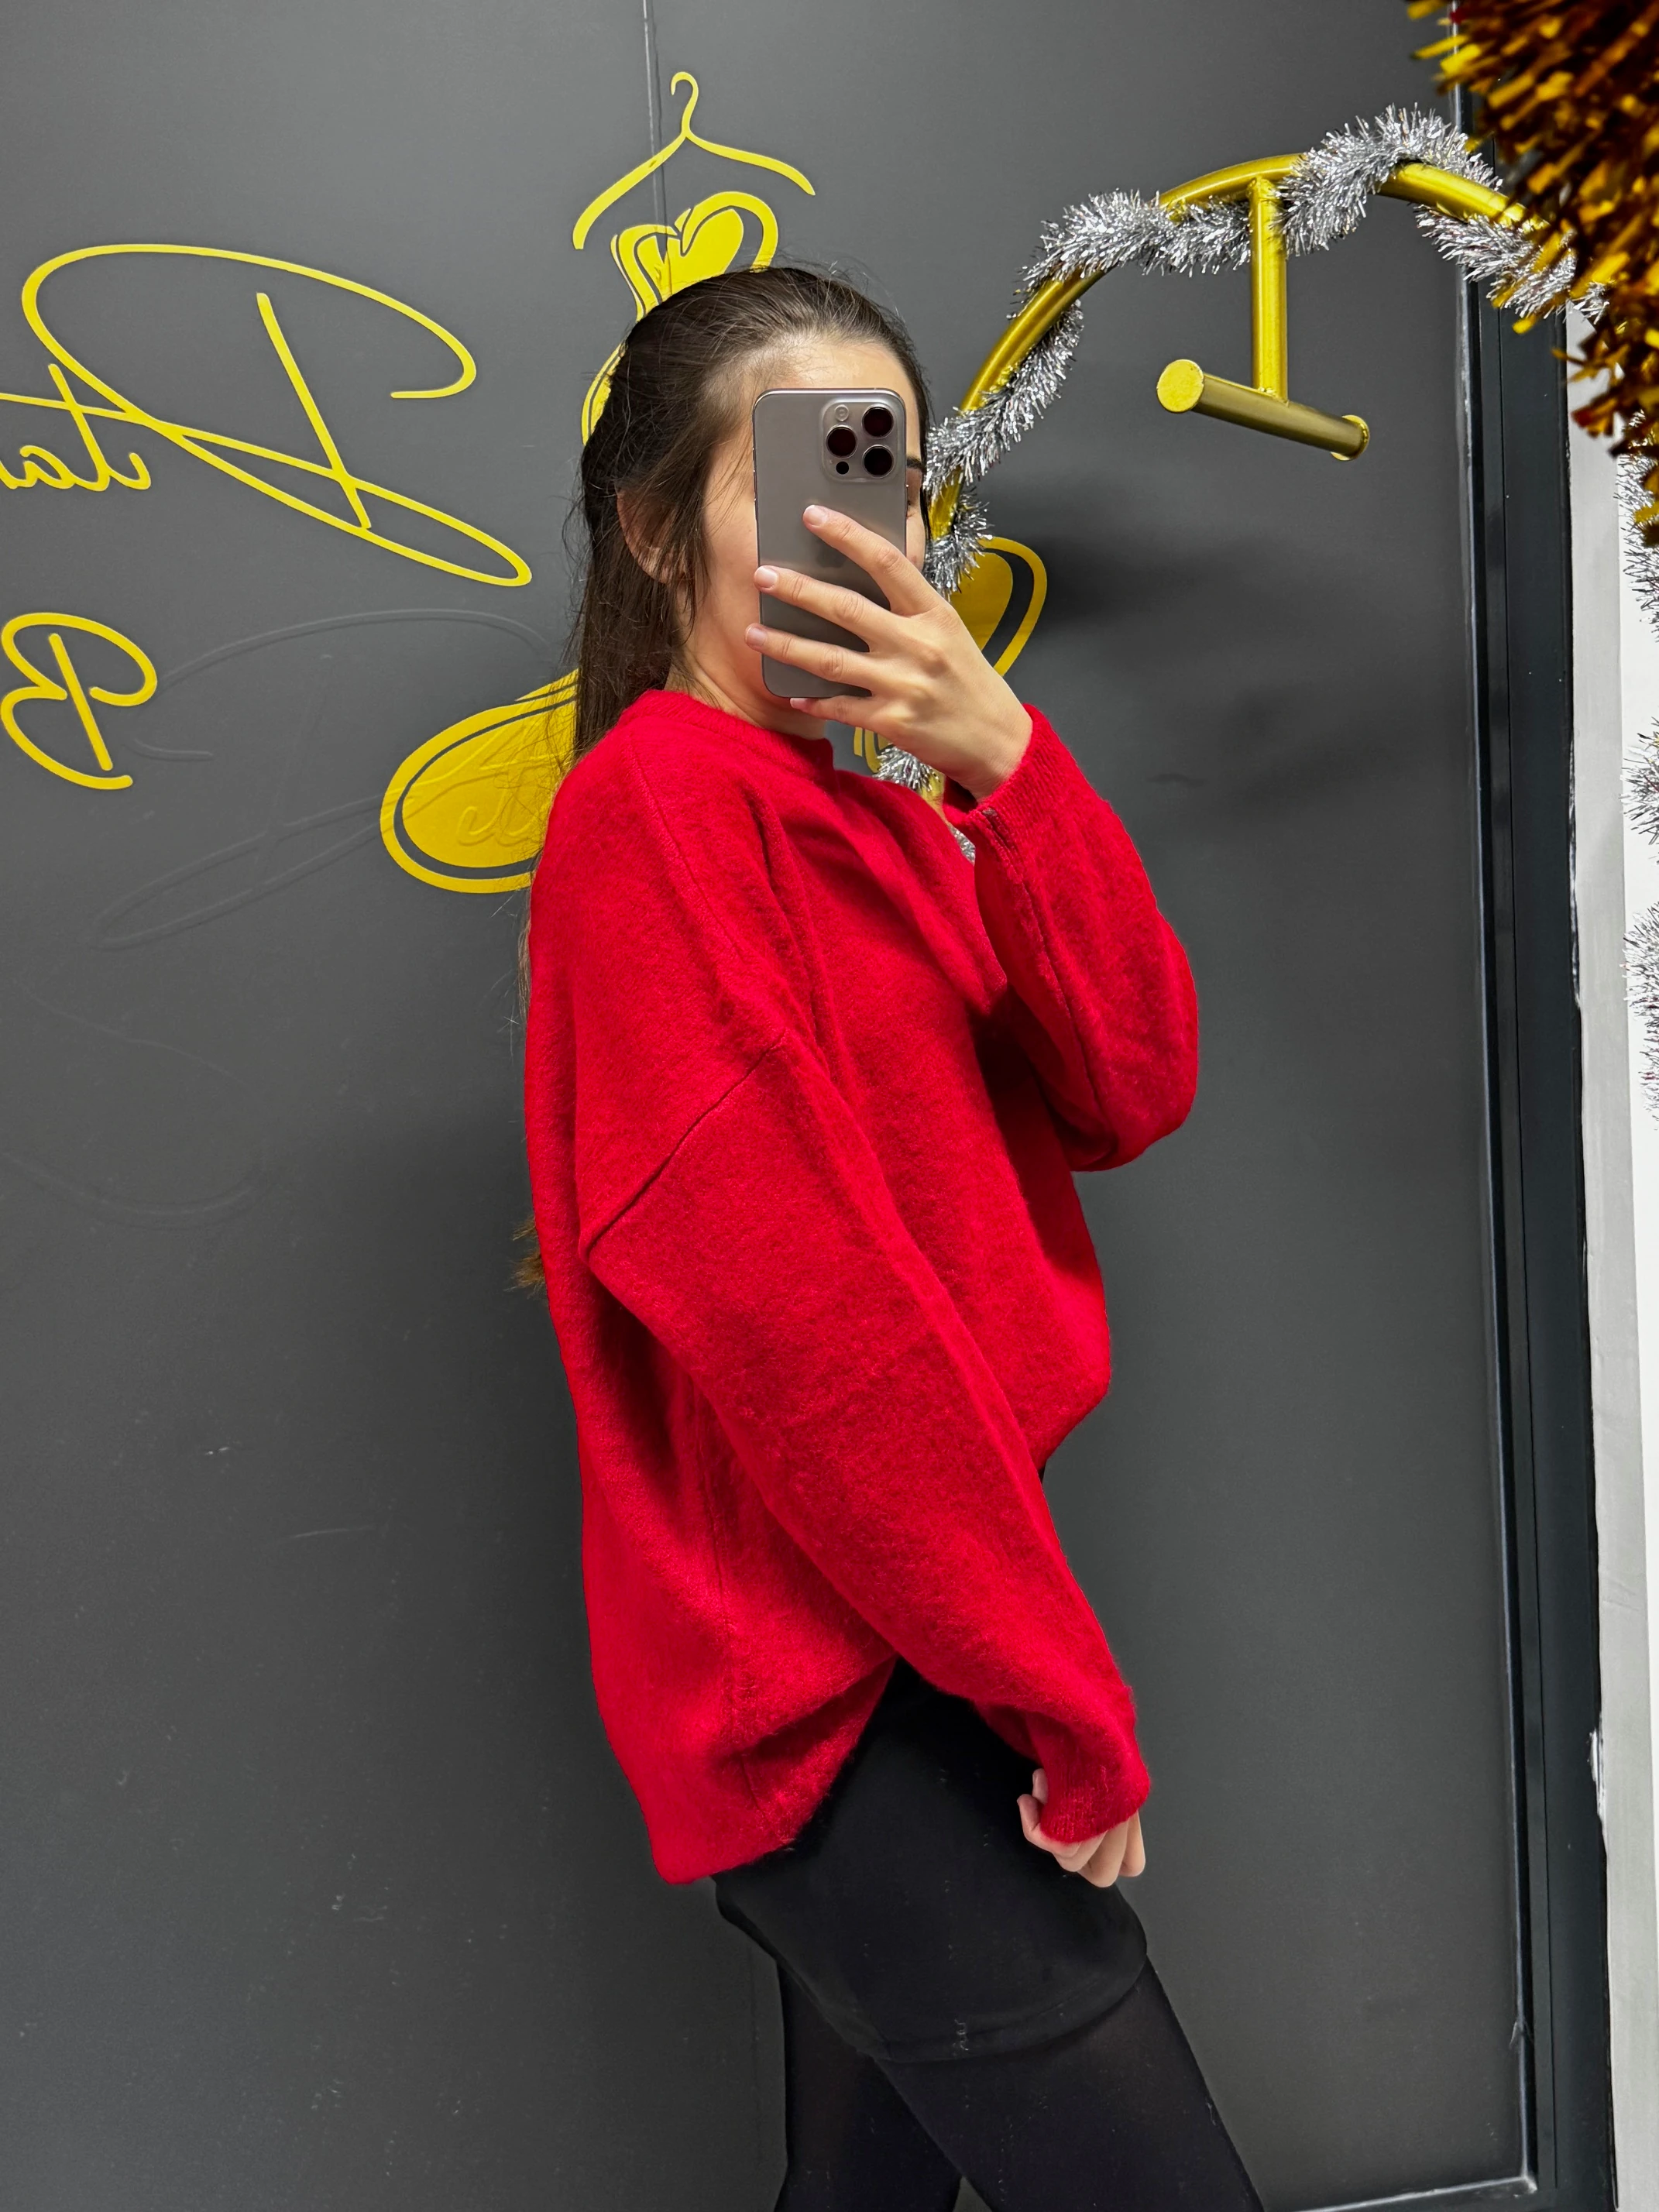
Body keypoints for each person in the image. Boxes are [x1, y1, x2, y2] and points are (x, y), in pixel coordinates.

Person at [520, 266, 1260, 2211]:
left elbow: (1134, 1082)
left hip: (922, 1627)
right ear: (656, 530)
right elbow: (814, 1332)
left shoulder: (891, 820)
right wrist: (1061, 1704)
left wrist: (1011, 770)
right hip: (841, 1691)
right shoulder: (658, 814)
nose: (867, 529)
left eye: (893, 478)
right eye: (805, 475)